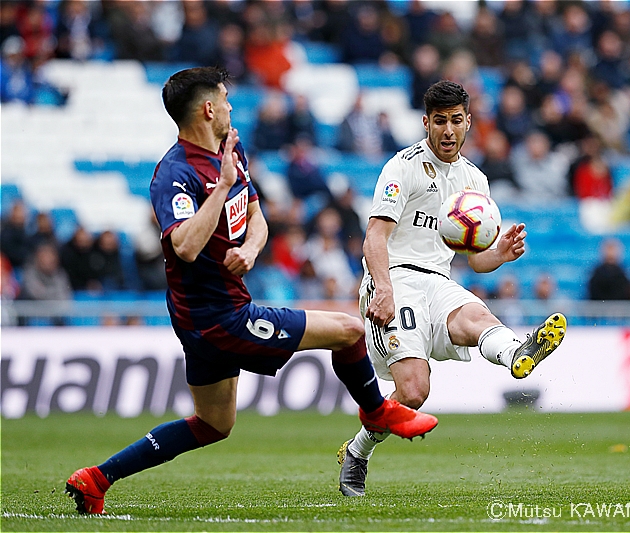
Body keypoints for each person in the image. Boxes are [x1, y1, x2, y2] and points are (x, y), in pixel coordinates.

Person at [64, 67, 437, 515]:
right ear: (207, 109)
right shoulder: (174, 174)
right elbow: (183, 246)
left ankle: (96, 479)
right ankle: (377, 411)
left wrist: (251, 248)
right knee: (349, 330)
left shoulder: (231, 149)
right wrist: (220, 187)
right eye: (224, 99)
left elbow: (256, 212)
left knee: (213, 424)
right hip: (218, 316)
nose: (230, 106)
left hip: (209, 313)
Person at [337, 80, 567, 497]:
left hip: (440, 280)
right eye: (439, 121)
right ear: (426, 122)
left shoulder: (475, 180)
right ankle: (357, 452)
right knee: (414, 392)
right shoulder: (402, 167)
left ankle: (518, 351)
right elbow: (374, 237)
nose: (447, 130)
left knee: (478, 315)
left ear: (468, 123)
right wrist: (383, 290)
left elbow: (475, 260)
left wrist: (501, 252)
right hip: (396, 278)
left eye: (456, 121)